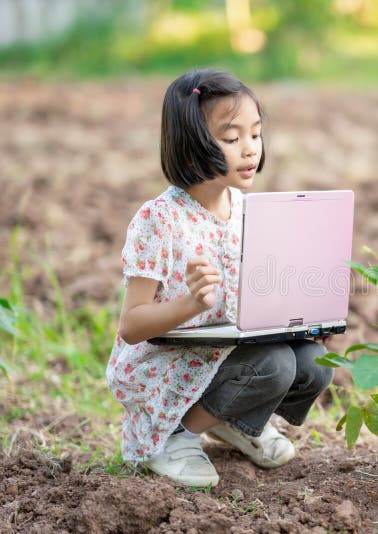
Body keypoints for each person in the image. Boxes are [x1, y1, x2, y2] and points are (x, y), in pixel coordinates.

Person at [106, 69, 333, 487]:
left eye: (256, 134)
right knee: (275, 363)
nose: (249, 150)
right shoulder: (160, 220)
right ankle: (173, 436)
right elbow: (132, 325)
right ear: (191, 146)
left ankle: (238, 423)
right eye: (231, 139)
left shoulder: (246, 209)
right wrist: (190, 304)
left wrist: (303, 316)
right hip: (168, 361)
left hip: (225, 348)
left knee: (314, 362)